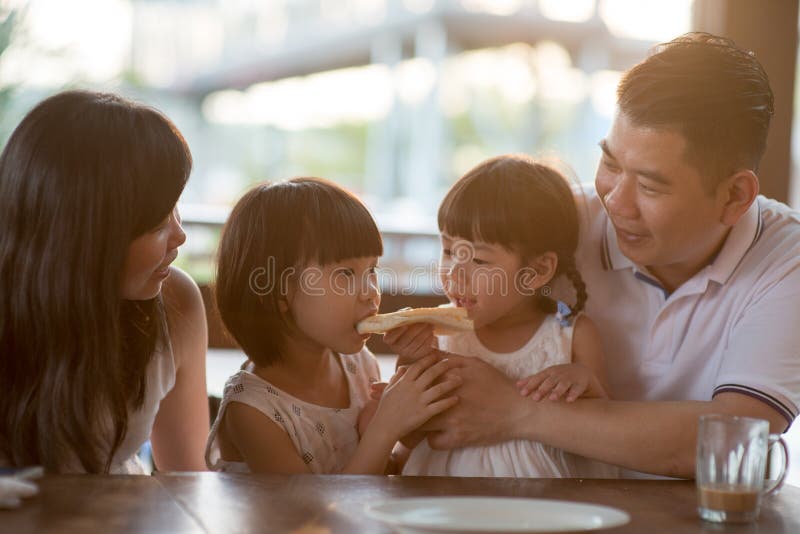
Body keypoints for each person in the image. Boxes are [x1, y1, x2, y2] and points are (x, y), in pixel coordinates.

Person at [419, 32, 800, 479]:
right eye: (611, 165)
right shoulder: (554, 224)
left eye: (650, 185)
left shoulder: (784, 261)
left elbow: (736, 437)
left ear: (735, 195)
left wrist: (516, 411)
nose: (615, 202)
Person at [0, 90, 210, 474]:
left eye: (176, 208)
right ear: (86, 231)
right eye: (160, 221)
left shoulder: (176, 302)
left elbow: (189, 477)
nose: (180, 236)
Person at [205, 177, 460, 474]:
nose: (370, 291)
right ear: (279, 292)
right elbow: (316, 516)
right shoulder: (251, 411)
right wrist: (384, 429)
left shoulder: (359, 366)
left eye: (372, 270)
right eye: (346, 273)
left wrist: (407, 432)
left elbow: (378, 480)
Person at [388, 155, 617, 478]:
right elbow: (407, 437)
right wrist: (409, 367)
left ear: (536, 271)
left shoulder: (572, 335)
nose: (455, 273)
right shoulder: (436, 334)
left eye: (479, 261)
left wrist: (585, 383)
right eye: (449, 250)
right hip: (440, 502)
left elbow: (604, 436)